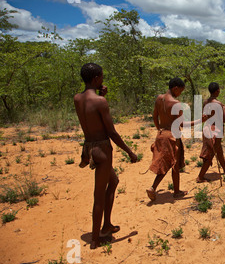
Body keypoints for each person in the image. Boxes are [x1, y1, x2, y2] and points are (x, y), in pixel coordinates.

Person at [74, 63, 138, 250]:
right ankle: (96, 238)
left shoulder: (77, 98)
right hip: (102, 149)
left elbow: (90, 114)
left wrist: (100, 95)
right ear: (96, 79)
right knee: (98, 195)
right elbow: (112, 132)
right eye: (101, 77)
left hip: (89, 148)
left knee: (114, 181)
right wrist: (129, 151)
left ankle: (107, 225)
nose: (102, 79)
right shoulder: (101, 102)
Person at [146, 77, 204, 201]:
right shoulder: (176, 103)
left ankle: (176, 190)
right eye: (180, 91)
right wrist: (200, 120)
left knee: (167, 163)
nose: (180, 94)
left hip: (161, 134)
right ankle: (154, 188)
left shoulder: (159, 99)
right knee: (172, 164)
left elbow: (155, 117)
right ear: (175, 88)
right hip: (172, 137)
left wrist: (159, 130)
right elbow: (182, 124)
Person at [196, 82, 225, 183]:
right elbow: (224, 119)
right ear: (217, 91)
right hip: (216, 130)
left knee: (218, 149)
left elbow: (205, 115)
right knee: (210, 154)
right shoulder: (218, 104)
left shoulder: (206, 102)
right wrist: (223, 109)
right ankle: (200, 176)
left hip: (207, 128)